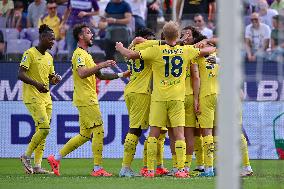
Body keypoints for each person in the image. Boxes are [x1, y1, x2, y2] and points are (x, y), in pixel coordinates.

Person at [116, 21, 215, 178]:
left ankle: (149, 170)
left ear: (163, 34)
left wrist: (121, 47)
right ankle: (181, 169)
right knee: (180, 134)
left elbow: (130, 54)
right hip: (177, 98)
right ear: (177, 35)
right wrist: (201, 43)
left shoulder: (156, 50)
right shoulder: (186, 50)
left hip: (158, 98)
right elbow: (211, 49)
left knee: (153, 134)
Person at [47, 24, 130, 177]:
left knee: (85, 135)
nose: (92, 34)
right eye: (88, 32)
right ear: (80, 36)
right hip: (86, 98)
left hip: (87, 98)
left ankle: (55, 158)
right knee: (99, 130)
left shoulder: (87, 54)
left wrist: (121, 75)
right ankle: (98, 169)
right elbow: (82, 73)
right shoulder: (79, 54)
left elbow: (100, 75)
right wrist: (102, 64)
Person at [118, 28, 168, 177]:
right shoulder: (144, 46)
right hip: (141, 92)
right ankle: (125, 167)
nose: (152, 42)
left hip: (132, 90)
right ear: (145, 38)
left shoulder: (132, 48)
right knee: (135, 129)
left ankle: (147, 165)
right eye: (150, 39)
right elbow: (161, 43)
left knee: (144, 128)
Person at [18, 24, 61, 174]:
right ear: (42, 37)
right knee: (44, 128)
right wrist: (36, 84)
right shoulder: (29, 53)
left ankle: (37, 166)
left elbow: (50, 77)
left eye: (54, 39)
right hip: (33, 96)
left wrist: (55, 79)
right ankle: (26, 156)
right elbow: (21, 74)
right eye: (50, 39)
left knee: (43, 131)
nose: (53, 42)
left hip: (46, 97)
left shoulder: (49, 57)